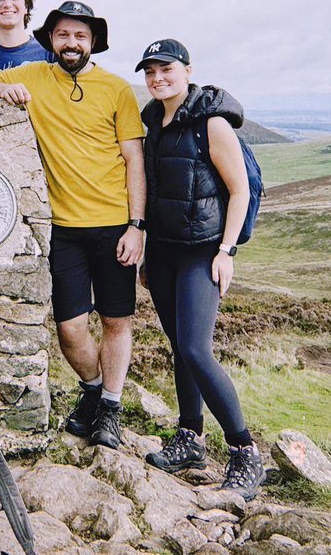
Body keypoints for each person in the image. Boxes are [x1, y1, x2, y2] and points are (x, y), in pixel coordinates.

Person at [0, 1, 145, 450]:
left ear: (93, 43)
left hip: (114, 226)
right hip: (63, 228)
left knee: (116, 321)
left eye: (80, 36)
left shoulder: (117, 89)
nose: (72, 43)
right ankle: (92, 390)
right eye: (63, 35)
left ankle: (110, 408)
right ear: (50, 39)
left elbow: (134, 160)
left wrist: (137, 225)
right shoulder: (31, 76)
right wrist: (1, 91)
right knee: (69, 328)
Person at [136, 37, 265, 499]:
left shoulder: (211, 123)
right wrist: (149, 252)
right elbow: (155, 193)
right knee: (178, 347)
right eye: (150, 71)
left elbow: (239, 191)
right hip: (165, 251)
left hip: (202, 250)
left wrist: (226, 251)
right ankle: (189, 437)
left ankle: (245, 451)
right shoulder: (153, 120)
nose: (157, 78)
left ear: (187, 71)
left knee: (195, 348)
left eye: (166, 69)